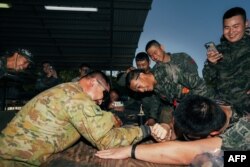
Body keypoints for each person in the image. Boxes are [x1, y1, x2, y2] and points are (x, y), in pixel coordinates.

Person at [0, 70, 154, 166]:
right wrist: (145, 130)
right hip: (16, 161)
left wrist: (107, 118)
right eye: (105, 94)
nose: (102, 101)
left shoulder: (69, 89)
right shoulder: (78, 99)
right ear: (93, 82)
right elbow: (107, 142)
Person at [95, 95, 249, 165]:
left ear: (213, 133)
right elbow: (177, 127)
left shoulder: (241, 132)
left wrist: (130, 150)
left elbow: (185, 153)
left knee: (212, 160)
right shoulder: (208, 102)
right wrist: (166, 126)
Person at [202, 7, 250, 117]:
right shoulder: (218, 50)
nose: (231, 32)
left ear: (246, 24)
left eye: (236, 26)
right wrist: (211, 64)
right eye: (226, 27)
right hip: (222, 110)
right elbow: (209, 81)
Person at [117, 52, 161, 125]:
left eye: (143, 65)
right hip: (139, 106)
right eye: (138, 65)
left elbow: (155, 100)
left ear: (149, 62)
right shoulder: (135, 74)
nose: (141, 67)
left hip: (154, 109)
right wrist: (127, 73)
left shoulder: (154, 75)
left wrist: (152, 117)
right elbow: (120, 83)